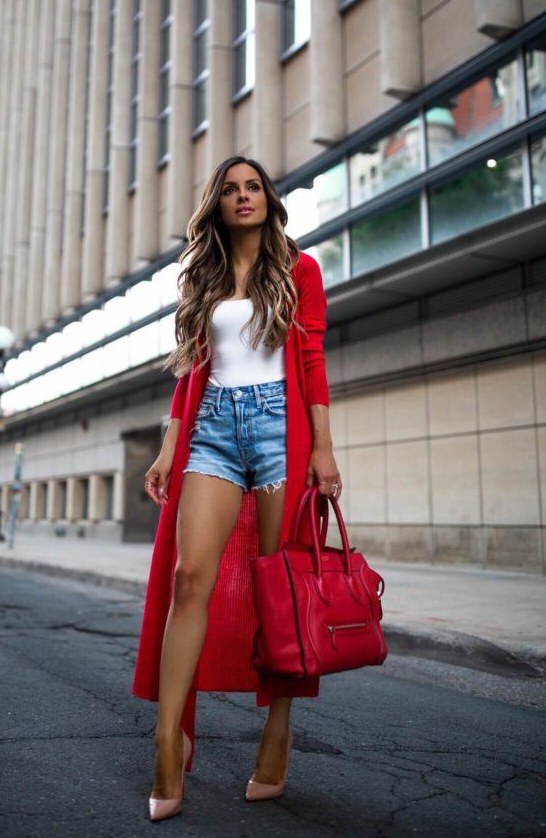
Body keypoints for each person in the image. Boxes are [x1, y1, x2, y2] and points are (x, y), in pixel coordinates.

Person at [131, 156, 342, 821]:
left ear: (269, 198)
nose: (242, 196)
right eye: (230, 188)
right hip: (215, 428)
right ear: (217, 204)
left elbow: (310, 357)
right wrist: (170, 444)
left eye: (252, 186)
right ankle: (168, 739)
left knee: (280, 590)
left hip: (281, 428)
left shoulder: (299, 270)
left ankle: (276, 734)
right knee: (191, 575)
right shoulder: (206, 275)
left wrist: (325, 449)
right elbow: (191, 367)